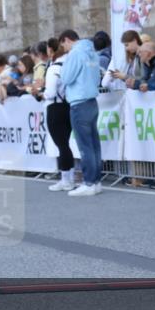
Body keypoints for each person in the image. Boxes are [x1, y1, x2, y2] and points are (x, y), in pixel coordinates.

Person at [57, 29, 103, 197]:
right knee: (94, 143)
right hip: (91, 100)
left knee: (85, 145)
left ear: (67, 40)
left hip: (79, 101)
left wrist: (63, 69)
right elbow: (97, 78)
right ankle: (96, 181)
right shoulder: (92, 53)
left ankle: (89, 182)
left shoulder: (75, 54)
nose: (65, 49)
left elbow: (66, 78)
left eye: (64, 45)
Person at [44, 37, 74, 191]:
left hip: (55, 107)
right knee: (65, 143)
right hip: (68, 105)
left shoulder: (53, 68)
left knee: (61, 144)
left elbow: (50, 92)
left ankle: (66, 179)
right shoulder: (69, 64)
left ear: (50, 50)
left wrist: (38, 92)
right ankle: (69, 177)